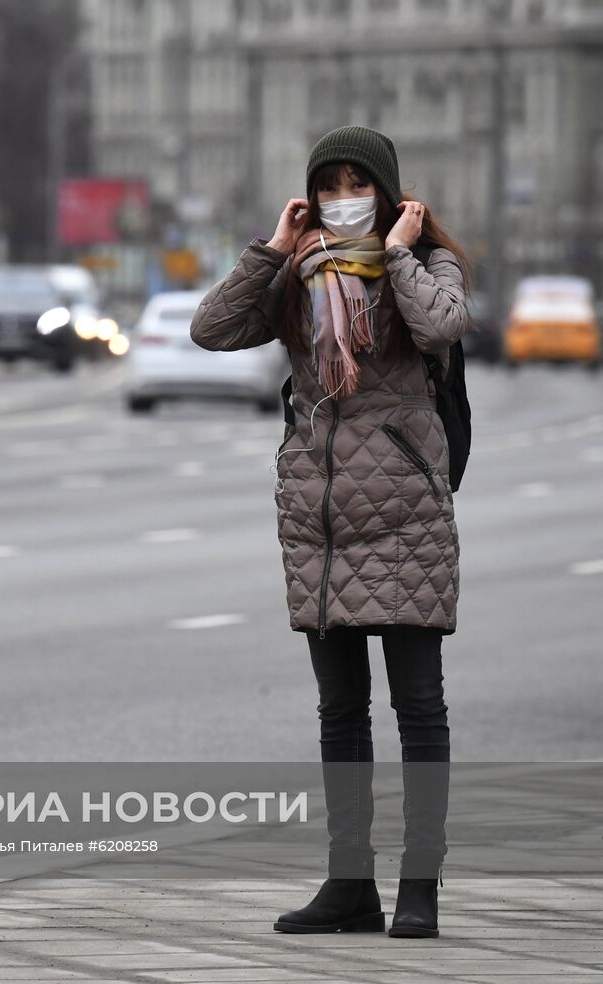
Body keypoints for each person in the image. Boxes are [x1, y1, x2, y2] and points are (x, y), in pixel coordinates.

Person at [189, 125, 473, 939]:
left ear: (387, 192)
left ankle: (420, 887)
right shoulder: (297, 274)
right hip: (321, 515)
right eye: (329, 184)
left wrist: (396, 254)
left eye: (358, 182)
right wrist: (272, 250)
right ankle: (350, 884)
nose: (342, 197)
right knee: (340, 709)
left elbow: (444, 327)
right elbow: (211, 330)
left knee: (419, 708)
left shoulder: (424, 264)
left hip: (407, 512)